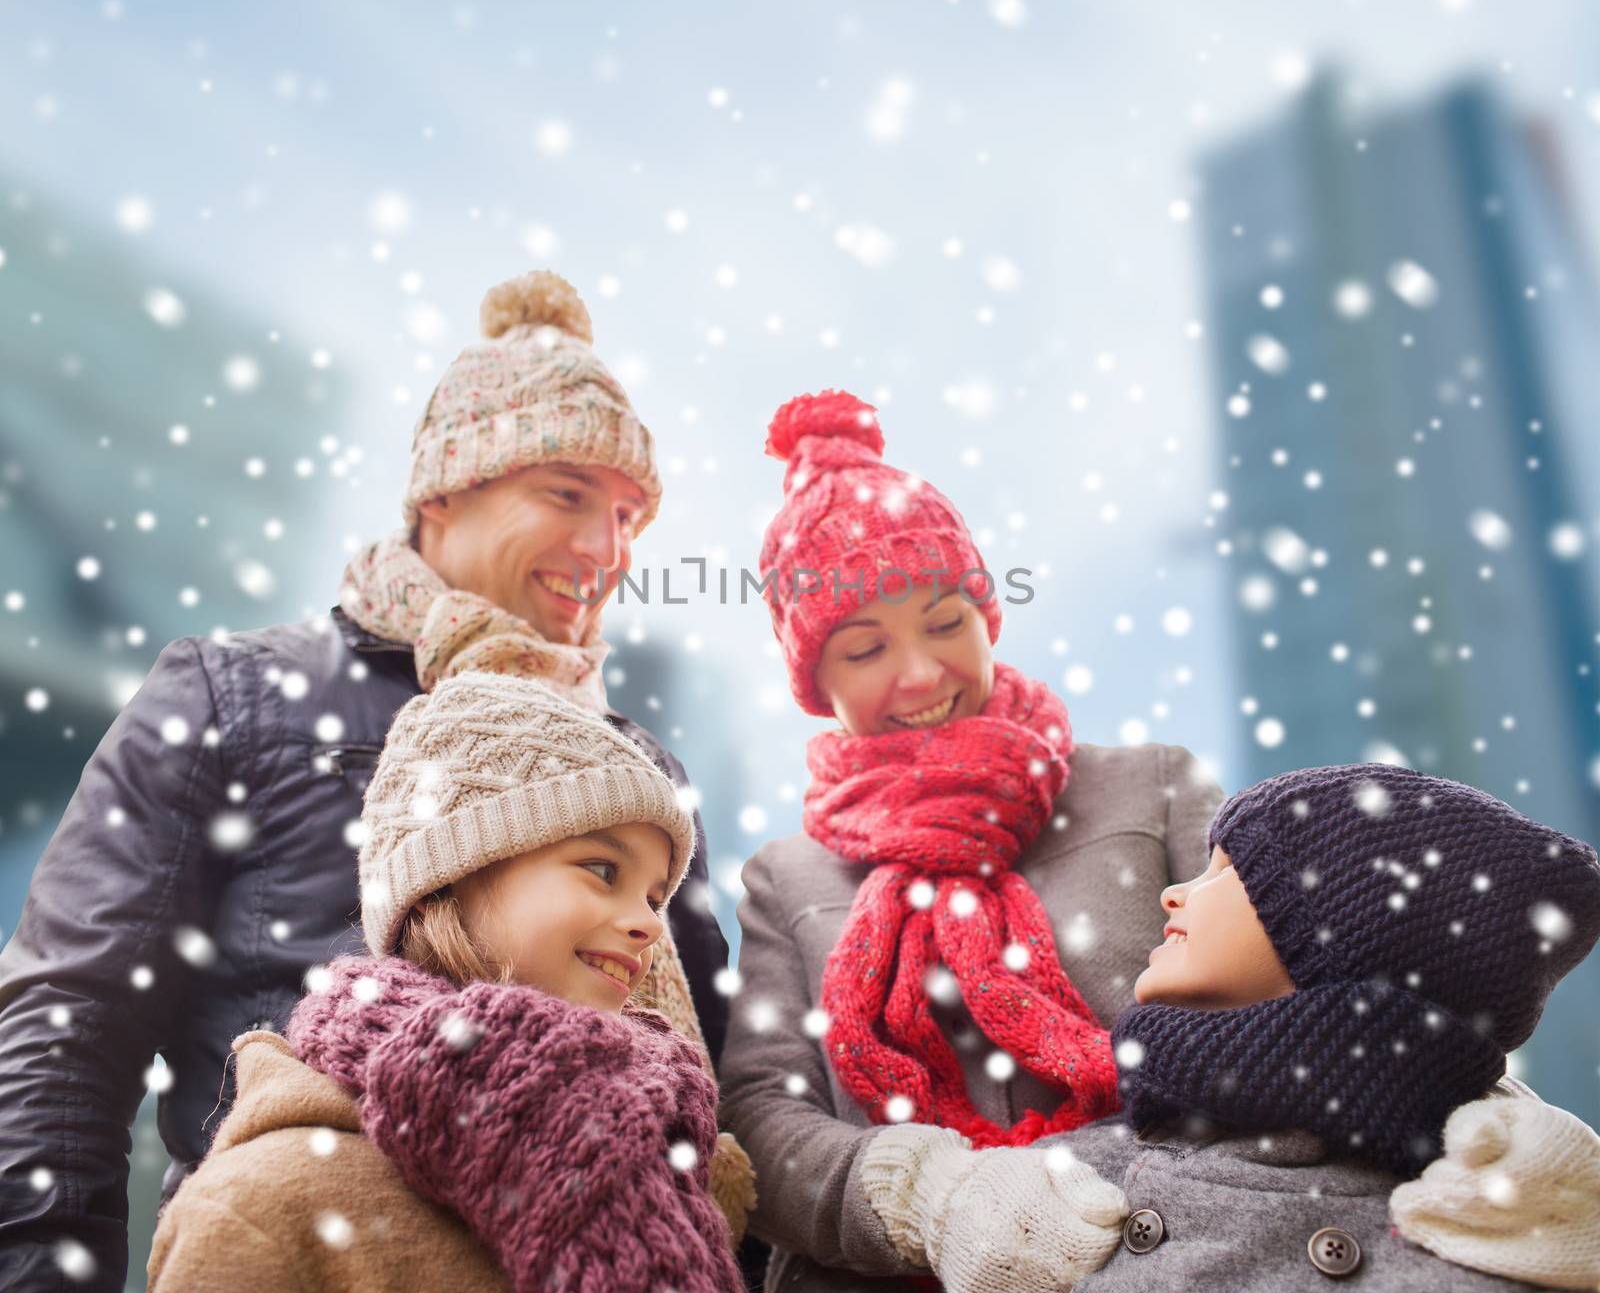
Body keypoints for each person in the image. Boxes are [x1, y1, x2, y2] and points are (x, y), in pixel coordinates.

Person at [717, 390, 1600, 1293]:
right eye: (863, 649)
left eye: (945, 622)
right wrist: (934, 1200)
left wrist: (1495, 1138)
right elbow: (762, 1115)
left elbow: (1332, 980)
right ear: (812, 679)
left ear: (989, 615)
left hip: (1185, 1251)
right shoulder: (789, 878)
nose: (918, 672)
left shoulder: (1150, 785)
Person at [0, 272, 733, 1291]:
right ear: (443, 490)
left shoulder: (640, 768)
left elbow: (717, 1079)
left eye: (627, 518)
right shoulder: (236, 695)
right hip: (305, 1250)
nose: (602, 549)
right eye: (566, 495)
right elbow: (67, 1022)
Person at [148, 670, 751, 1292]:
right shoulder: (266, 1204)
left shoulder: (658, 1155)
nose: (650, 925)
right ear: (455, 874)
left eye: (655, 898)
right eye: (602, 869)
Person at [969, 763, 1600, 1289]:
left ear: (1353, 934)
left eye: (1225, 871)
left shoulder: (1500, 1204)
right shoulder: (1083, 1173)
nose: (1173, 894)